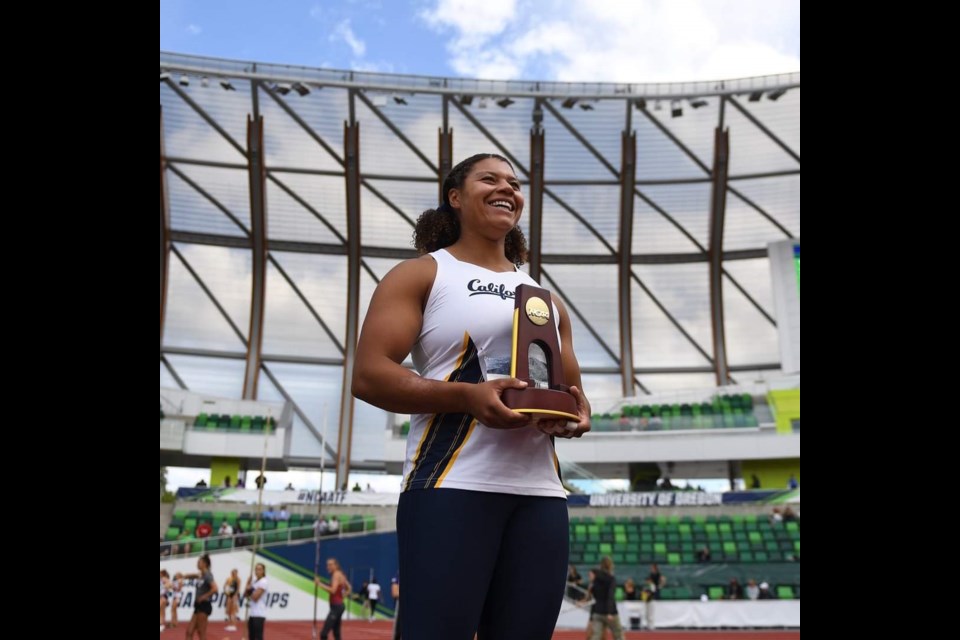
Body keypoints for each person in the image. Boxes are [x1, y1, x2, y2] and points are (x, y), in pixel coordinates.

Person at [352, 153, 591, 640]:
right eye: (490, 178)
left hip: (541, 496)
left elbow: (571, 393)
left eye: (514, 182)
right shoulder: (421, 274)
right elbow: (369, 375)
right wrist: (468, 397)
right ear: (455, 197)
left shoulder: (545, 299)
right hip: (450, 487)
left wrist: (575, 415)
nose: (507, 187)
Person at [585, 557, 624, 640]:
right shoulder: (611, 579)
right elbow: (610, 596)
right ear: (610, 566)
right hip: (610, 612)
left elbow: (593, 598)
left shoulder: (595, 579)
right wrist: (610, 612)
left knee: (596, 636)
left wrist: (591, 617)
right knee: (618, 635)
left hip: (597, 611)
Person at [182, 554, 218, 640]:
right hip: (198, 606)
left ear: (205, 564)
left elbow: (215, 588)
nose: (197, 563)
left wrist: (203, 596)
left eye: (199, 562)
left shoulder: (208, 575)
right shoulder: (201, 574)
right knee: (189, 632)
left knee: (201, 633)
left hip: (204, 605)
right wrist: (184, 576)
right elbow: (195, 575)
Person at [315, 558, 350, 640]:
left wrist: (319, 584)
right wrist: (343, 596)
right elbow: (349, 588)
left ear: (336, 565)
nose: (328, 567)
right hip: (338, 605)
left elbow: (333, 590)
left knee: (324, 633)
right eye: (327, 565)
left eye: (330, 565)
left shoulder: (336, 575)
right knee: (336, 634)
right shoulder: (341, 574)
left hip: (336, 607)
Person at [246, 563, 269, 640]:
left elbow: (255, 597)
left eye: (259, 569)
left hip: (259, 614)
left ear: (263, 571)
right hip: (252, 614)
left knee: (258, 637)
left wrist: (250, 589)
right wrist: (247, 583)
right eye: (256, 569)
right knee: (251, 636)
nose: (257, 571)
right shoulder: (254, 582)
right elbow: (245, 594)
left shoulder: (264, 582)